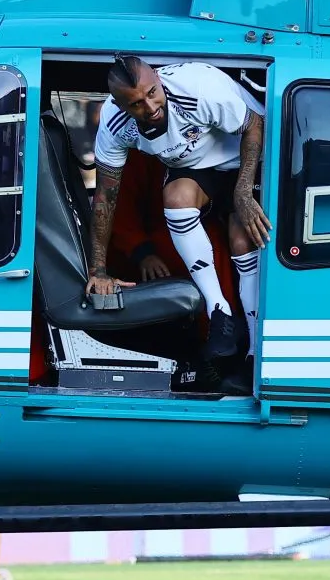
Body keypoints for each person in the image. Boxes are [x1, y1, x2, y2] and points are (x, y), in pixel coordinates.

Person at [85, 55, 270, 371]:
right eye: (136, 104)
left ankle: (254, 349)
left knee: (243, 239)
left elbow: (254, 124)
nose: (149, 106)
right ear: (118, 104)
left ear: (158, 78)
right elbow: (105, 197)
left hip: (248, 156)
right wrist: (98, 270)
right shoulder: (115, 125)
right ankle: (219, 313)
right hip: (200, 170)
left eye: (152, 92)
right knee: (175, 197)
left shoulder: (198, 88)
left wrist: (242, 191)